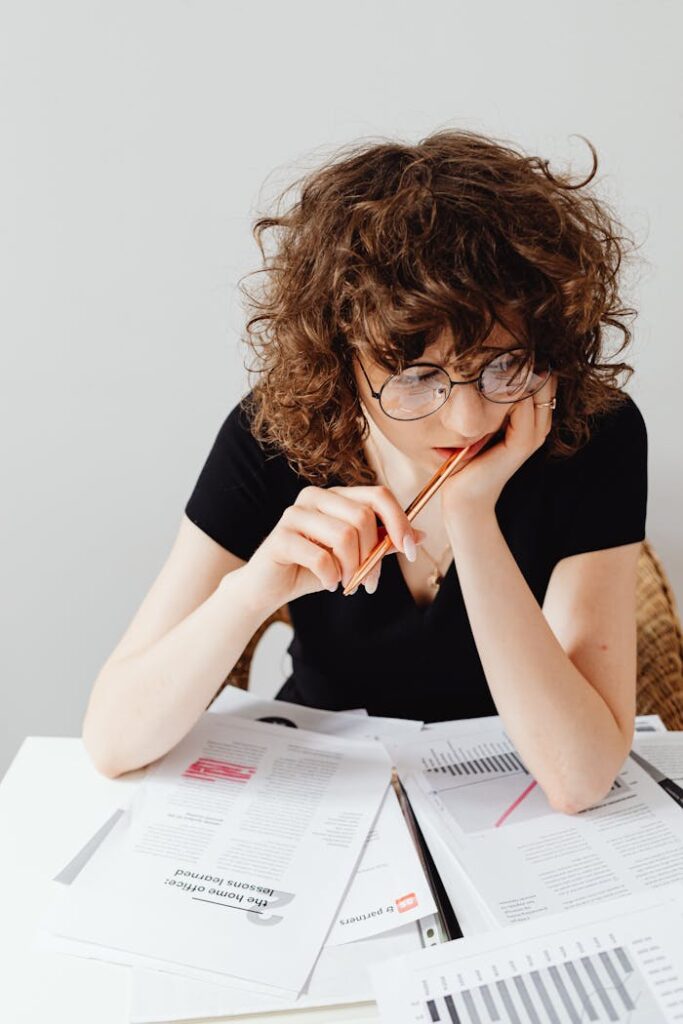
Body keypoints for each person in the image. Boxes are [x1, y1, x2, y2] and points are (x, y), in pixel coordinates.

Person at [82, 129, 648, 815]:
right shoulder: (273, 437)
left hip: (504, 807)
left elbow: (579, 778)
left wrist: (472, 516)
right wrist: (251, 591)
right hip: (319, 801)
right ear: (339, 362)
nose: (469, 419)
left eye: (502, 364)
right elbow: (114, 742)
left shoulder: (591, 434)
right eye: (416, 377)